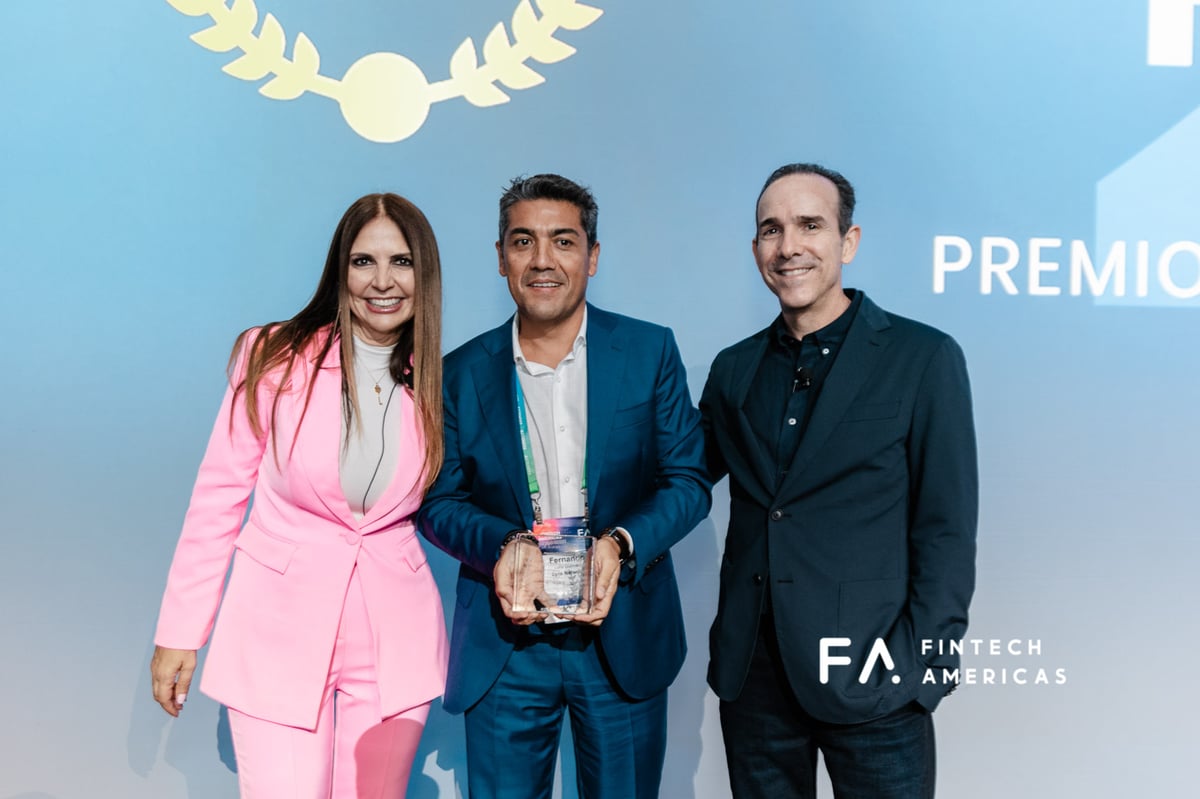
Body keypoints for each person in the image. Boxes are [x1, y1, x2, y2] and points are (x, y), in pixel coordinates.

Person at [417, 173, 711, 799]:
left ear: (592, 256)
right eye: (523, 241)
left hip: (619, 630)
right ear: (501, 258)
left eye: (564, 241)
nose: (543, 260)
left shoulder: (648, 351)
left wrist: (621, 545)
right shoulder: (459, 373)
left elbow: (688, 482)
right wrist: (506, 545)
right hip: (507, 642)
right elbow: (439, 502)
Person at [150, 193, 448, 797]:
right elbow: (218, 497)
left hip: (395, 636)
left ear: (425, 275)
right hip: (276, 627)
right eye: (363, 261)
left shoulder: (440, 379)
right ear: (340, 270)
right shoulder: (275, 356)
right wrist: (181, 631)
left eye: (402, 262)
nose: (383, 281)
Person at [701, 163, 978, 799]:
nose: (788, 246)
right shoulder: (734, 368)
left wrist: (924, 671)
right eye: (771, 229)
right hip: (755, 681)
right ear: (755, 249)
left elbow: (946, 527)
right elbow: (682, 476)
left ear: (847, 241)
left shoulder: (923, 356)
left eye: (809, 225)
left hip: (876, 679)